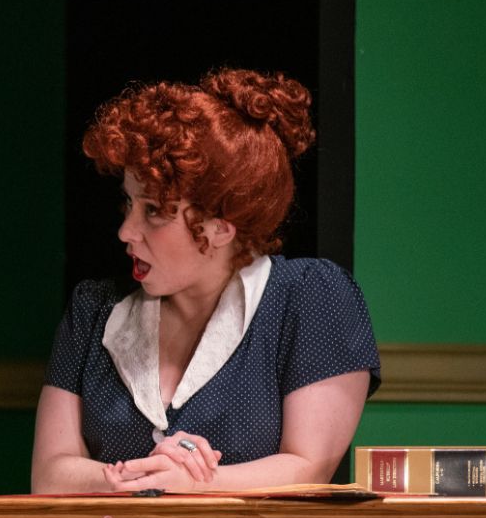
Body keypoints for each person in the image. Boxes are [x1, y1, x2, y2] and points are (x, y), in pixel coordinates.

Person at [31, 68, 379, 494]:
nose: (126, 231)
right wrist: (144, 475)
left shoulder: (310, 298)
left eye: (153, 210)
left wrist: (191, 482)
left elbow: (308, 467)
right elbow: (49, 474)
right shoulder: (94, 308)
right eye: (129, 204)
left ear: (221, 226)